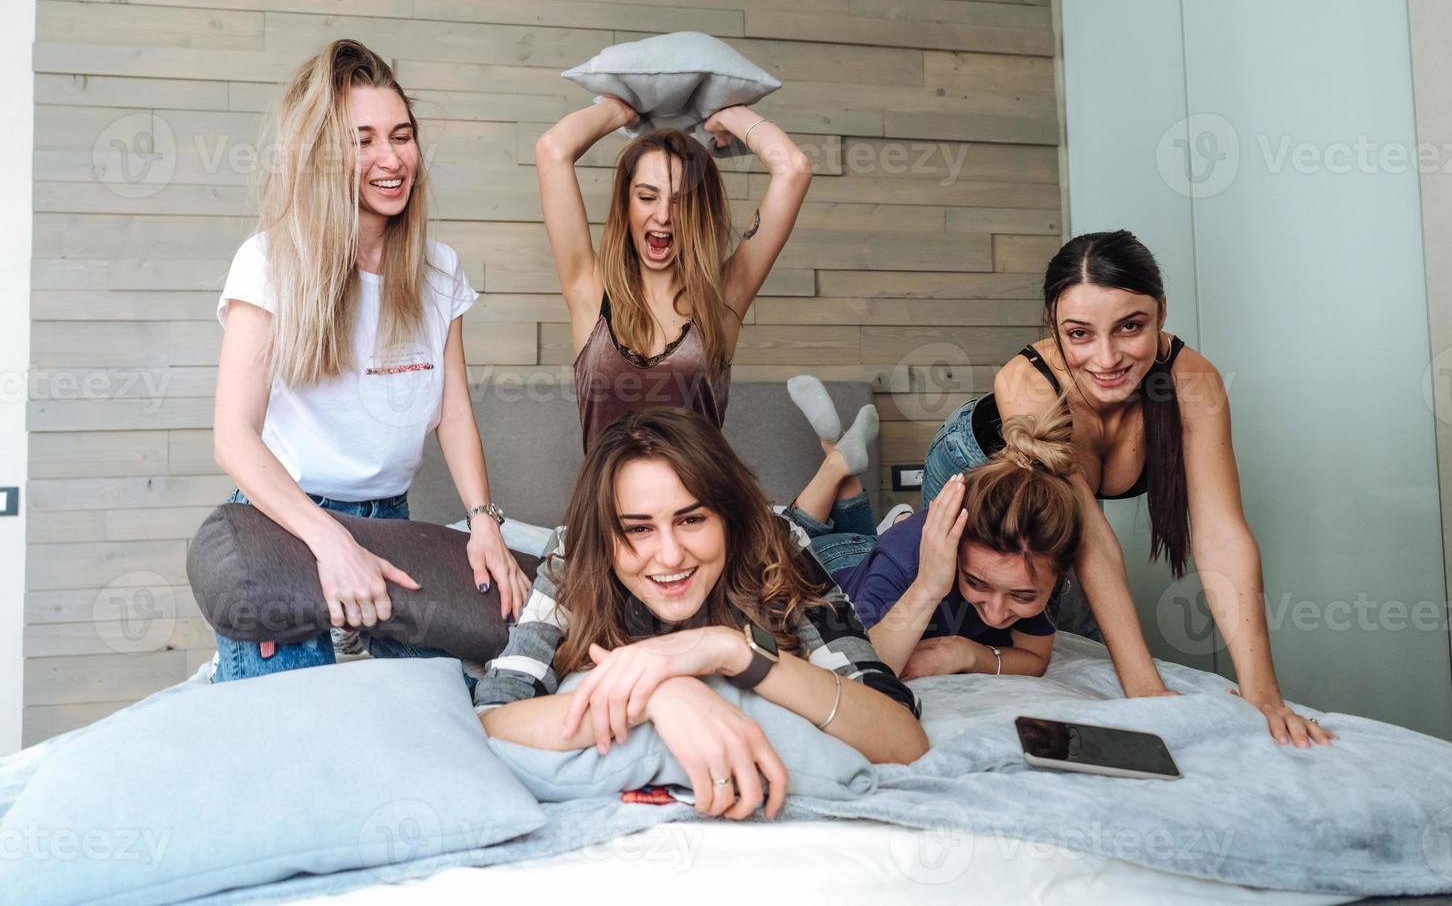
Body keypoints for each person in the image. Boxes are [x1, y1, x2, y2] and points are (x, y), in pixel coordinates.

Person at [921, 230, 1334, 747]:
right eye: (1079, 334)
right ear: (1054, 326)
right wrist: (1144, 691)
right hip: (970, 469)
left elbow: (1222, 536)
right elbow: (1089, 538)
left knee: (1056, 628)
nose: (1107, 358)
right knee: (963, 618)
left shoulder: (1192, 382)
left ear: (1160, 312)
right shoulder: (1027, 383)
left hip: (1066, 521)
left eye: (1130, 327)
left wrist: (1263, 694)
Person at [210, 39, 530, 680]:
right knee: (292, 735)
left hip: (394, 527)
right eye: (363, 141)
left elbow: (456, 415)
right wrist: (329, 542)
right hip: (284, 528)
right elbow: (233, 438)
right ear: (324, 156)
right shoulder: (269, 261)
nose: (391, 159)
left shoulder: (439, 271)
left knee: (421, 721)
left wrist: (483, 522)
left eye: (402, 136)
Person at [475, 409, 928, 821]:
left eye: (692, 520)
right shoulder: (576, 555)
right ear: (604, 534)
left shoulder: (776, 545)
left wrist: (730, 651)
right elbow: (492, 719)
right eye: (638, 529)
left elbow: (902, 739)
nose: (670, 555)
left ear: (728, 517)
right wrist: (657, 695)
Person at [536, 97, 813, 450]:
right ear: (626, 203)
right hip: (608, 505)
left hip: (703, 500)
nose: (664, 216)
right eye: (647, 197)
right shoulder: (589, 291)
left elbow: (794, 168)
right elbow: (552, 150)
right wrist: (623, 111)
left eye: (681, 201)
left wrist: (723, 115)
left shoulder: (723, 297)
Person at [782, 378, 1081, 680]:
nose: (996, 614)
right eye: (977, 583)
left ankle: (841, 455)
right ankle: (835, 460)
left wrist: (963, 652)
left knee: (869, 536)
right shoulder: (906, 557)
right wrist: (928, 586)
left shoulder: (1040, 550)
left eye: (1022, 597)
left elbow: (1034, 657)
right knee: (786, 545)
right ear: (955, 544)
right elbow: (861, 671)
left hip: (874, 551)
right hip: (835, 563)